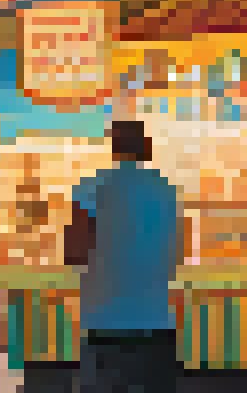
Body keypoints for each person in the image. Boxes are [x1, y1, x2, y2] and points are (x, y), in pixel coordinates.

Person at [67, 121, 184, 393]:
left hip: (106, 324)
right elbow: (175, 251)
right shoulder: (166, 191)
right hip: (157, 323)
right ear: (145, 146)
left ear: (114, 147)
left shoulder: (91, 187)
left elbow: (73, 252)